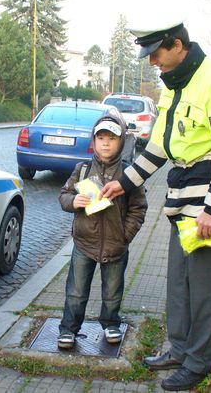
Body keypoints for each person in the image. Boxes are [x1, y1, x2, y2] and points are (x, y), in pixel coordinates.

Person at [100, 16, 211, 391]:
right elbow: (158, 148)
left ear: (178, 46)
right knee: (180, 282)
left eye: (156, 53)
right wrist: (123, 183)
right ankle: (180, 349)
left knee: (206, 287)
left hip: (208, 202)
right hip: (182, 199)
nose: (152, 61)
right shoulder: (173, 85)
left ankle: (201, 359)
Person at [57, 110, 148, 349]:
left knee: (112, 291)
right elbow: (64, 195)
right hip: (84, 244)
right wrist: (73, 202)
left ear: (121, 142)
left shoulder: (130, 175)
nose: (106, 143)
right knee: (76, 292)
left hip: (116, 246)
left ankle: (110, 323)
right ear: (94, 141)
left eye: (112, 138)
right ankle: (68, 328)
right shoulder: (83, 170)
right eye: (101, 138)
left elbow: (139, 208)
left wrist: (125, 236)